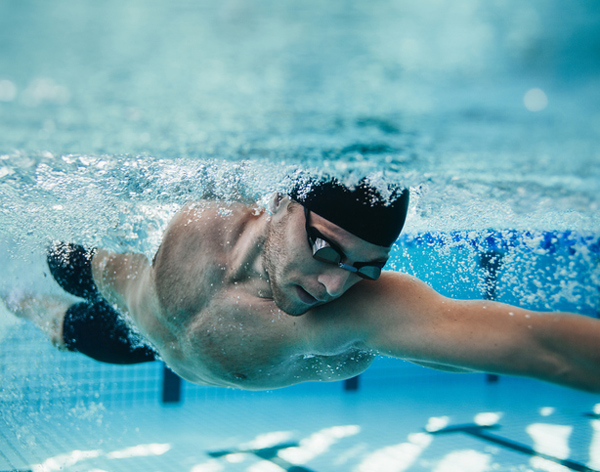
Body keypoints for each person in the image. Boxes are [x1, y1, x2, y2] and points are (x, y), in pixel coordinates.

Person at [3, 175, 600, 392]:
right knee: (56, 257)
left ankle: (21, 305)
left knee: (55, 323)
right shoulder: (207, 208)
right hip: (109, 277)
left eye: (364, 267)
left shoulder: (354, 316)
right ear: (278, 203)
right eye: (325, 249)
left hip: (144, 346)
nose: (337, 284)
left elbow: (536, 344)